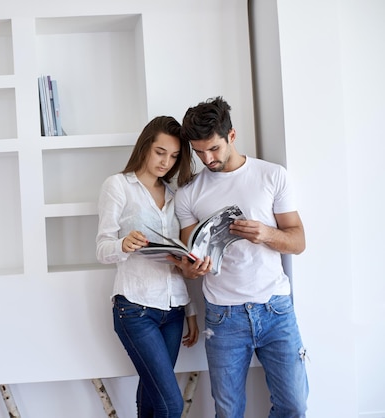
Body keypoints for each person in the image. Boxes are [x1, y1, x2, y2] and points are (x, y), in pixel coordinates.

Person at [172, 96, 309, 418]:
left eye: (214, 149)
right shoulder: (188, 193)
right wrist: (193, 269)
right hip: (223, 316)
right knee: (229, 412)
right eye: (199, 151)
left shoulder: (272, 175)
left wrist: (268, 234)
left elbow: (298, 241)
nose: (207, 158)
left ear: (231, 136)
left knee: (294, 406)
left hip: (276, 309)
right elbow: (187, 264)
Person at [96, 116, 199, 418]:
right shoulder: (118, 186)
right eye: (160, 152)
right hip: (135, 310)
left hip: (174, 310)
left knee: (153, 401)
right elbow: (102, 248)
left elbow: (178, 260)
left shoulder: (175, 195)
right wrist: (123, 244)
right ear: (145, 147)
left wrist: (190, 310)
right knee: (171, 404)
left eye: (175, 156)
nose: (166, 161)